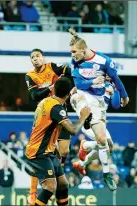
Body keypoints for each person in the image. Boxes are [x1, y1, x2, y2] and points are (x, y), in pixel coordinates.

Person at [68, 28, 129, 191]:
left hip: (97, 103)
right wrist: (93, 81)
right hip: (81, 96)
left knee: (106, 144)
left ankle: (86, 153)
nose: (72, 55)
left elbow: (116, 80)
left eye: (74, 52)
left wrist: (121, 93)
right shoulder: (75, 61)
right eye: (71, 52)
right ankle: (84, 118)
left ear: (83, 49)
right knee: (78, 96)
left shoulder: (105, 62)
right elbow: (79, 84)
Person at [25, 77, 91, 206]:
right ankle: (33, 194)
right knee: (50, 186)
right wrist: (84, 116)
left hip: (47, 150)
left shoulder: (45, 101)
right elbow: (72, 130)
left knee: (63, 184)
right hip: (39, 152)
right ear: (67, 94)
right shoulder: (56, 108)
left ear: (53, 89)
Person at [25, 49, 74, 202]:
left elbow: (68, 70)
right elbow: (34, 96)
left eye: (38, 56)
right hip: (46, 110)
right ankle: (34, 190)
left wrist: (67, 84)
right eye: (32, 57)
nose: (35, 59)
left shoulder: (52, 66)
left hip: (60, 109)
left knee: (63, 150)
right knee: (40, 148)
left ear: (44, 58)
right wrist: (51, 88)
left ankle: (52, 179)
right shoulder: (30, 76)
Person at [71, 76, 121, 175]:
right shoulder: (93, 78)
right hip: (88, 118)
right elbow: (77, 88)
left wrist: (115, 90)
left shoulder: (110, 86)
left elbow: (116, 105)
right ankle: (85, 145)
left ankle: (81, 163)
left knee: (109, 147)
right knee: (105, 144)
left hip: (100, 121)